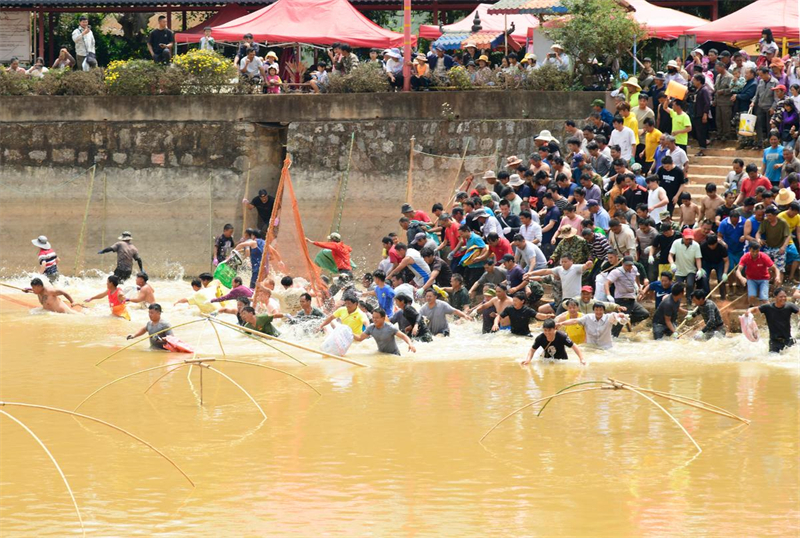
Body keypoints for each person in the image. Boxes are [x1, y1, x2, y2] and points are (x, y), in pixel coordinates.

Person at [606, 256, 650, 336]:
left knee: (644, 314)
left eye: (630, 265)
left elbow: (636, 277)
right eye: (627, 265)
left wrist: (639, 288)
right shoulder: (616, 272)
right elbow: (607, 283)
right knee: (617, 327)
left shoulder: (634, 269)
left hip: (631, 299)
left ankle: (628, 320)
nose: (629, 267)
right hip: (621, 300)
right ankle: (612, 339)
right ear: (623, 264)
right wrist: (608, 295)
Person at [557, 301, 626, 350]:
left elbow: (619, 318)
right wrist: (561, 323)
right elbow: (575, 321)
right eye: (596, 310)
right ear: (593, 311)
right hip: (590, 348)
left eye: (601, 310)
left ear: (604, 311)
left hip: (606, 348)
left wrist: (620, 316)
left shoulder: (609, 317)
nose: (598, 312)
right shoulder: (588, 317)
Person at [748, 287, 799, 352]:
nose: (783, 298)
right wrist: (748, 311)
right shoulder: (768, 307)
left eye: (785, 296)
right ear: (775, 297)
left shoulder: (790, 306)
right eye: (781, 297)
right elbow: (755, 309)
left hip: (788, 340)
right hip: (774, 342)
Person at [737, 242, 781, 306]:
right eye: (753, 251)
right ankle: (750, 307)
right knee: (752, 296)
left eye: (757, 251)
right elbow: (738, 270)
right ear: (749, 249)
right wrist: (741, 278)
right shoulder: (745, 257)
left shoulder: (764, 257)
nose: (755, 253)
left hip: (764, 279)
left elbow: (775, 268)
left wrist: (778, 276)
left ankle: (768, 312)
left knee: (764, 299)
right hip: (751, 279)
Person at [668, 228, 704, 304]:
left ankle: (689, 300)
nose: (688, 241)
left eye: (690, 239)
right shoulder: (676, 243)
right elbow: (670, 255)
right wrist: (672, 264)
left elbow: (698, 259)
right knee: (678, 287)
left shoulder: (696, 245)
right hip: (679, 270)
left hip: (691, 269)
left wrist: (699, 269)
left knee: (690, 285)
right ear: (683, 236)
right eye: (687, 239)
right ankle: (677, 302)